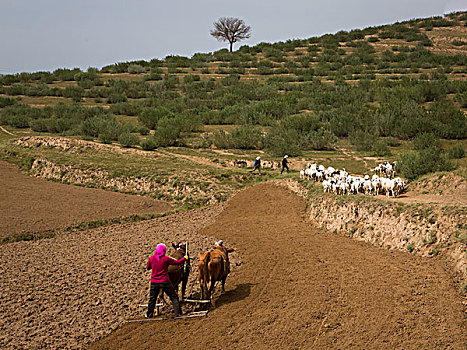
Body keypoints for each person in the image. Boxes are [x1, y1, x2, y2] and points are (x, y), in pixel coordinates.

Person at [146, 243, 187, 318]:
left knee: (152, 298)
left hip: (154, 282)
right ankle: (178, 313)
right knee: (174, 297)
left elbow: (148, 267)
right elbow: (177, 262)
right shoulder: (166, 259)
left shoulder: (151, 258)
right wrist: (184, 258)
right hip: (165, 281)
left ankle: (149, 315)